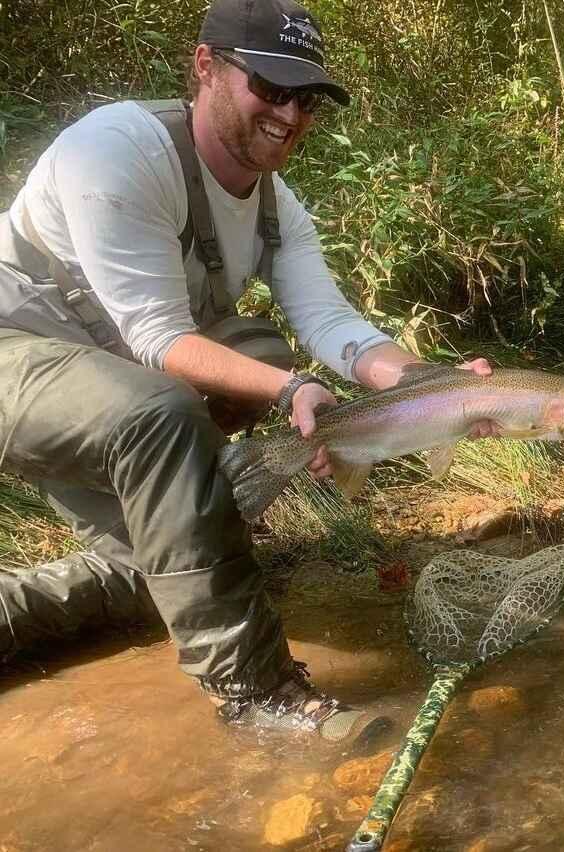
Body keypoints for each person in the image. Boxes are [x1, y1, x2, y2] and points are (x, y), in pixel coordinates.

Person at [0, 0, 497, 742]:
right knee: (180, 406)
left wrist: (432, 386)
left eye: (308, 100)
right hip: (19, 358)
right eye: (270, 86)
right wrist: (295, 390)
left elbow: (332, 325)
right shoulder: (115, 152)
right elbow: (159, 338)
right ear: (206, 66)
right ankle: (257, 695)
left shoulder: (276, 206)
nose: (290, 115)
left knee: (169, 565)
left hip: (108, 389)